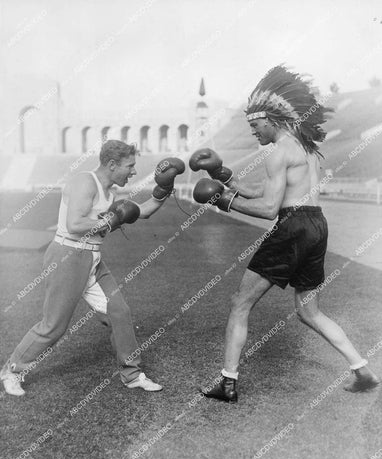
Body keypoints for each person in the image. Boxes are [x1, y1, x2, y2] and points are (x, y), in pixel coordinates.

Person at [190, 65, 380, 402]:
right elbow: (270, 192)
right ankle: (362, 369)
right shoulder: (306, 150)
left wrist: (223, 201)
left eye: (255, 125)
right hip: (316, 225)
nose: (253, 132)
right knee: (310, 311)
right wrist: (228, 180)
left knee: (240, 303)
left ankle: (228, 384)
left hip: (292, 227)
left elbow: (268, 209)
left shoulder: (278, 153)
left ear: (271, 120)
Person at [0, 140, 185, 396]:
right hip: (68, 257)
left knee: (119, 311)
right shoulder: (84, 182)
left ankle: (132, 374)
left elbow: (141, 212)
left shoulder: (110, 192)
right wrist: (111, 219)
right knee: (53, 326)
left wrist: (163, 190)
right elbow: (75, 224)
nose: (133, 172)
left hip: (92, 259)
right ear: (111, 164)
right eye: (129, 166)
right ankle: (11, 370)